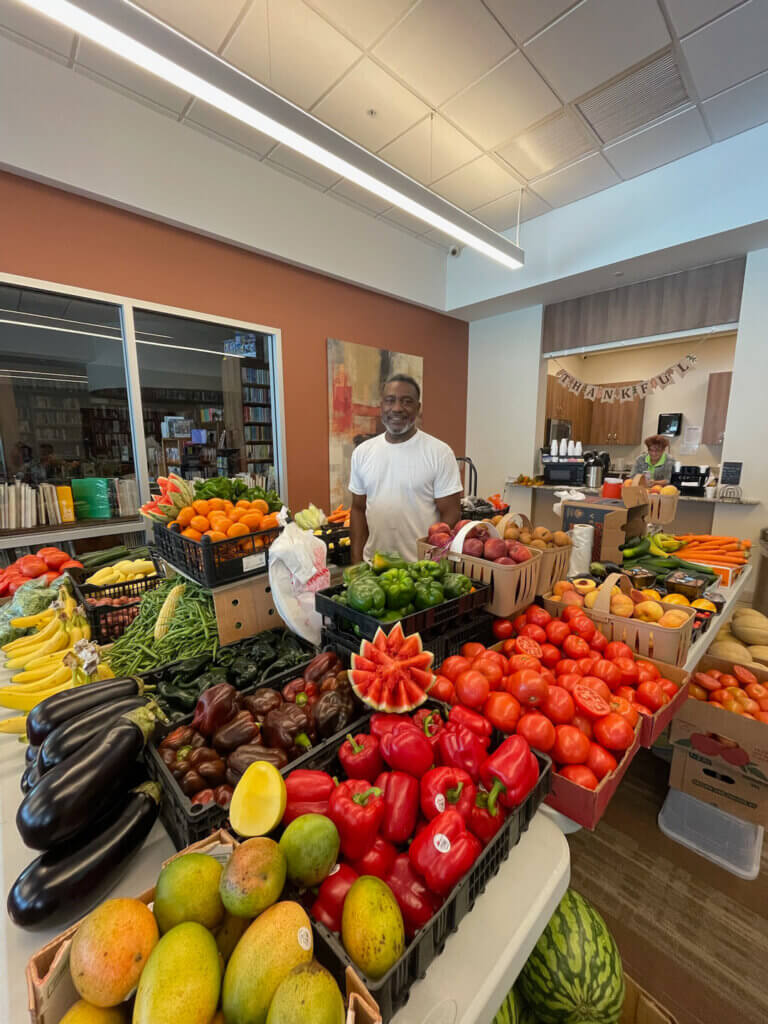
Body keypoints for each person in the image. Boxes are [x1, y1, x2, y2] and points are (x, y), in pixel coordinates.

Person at [349, 374, 462, 563]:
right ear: (381, 406)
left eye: (406, 401)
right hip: (373, 567)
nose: (397, 408)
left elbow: (451, 514)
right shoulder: (362, 452)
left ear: (418, 408)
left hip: (420, 571)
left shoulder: (440, 453)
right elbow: (358, 509)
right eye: (390, 401)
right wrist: (356, 563)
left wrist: (432, 561)